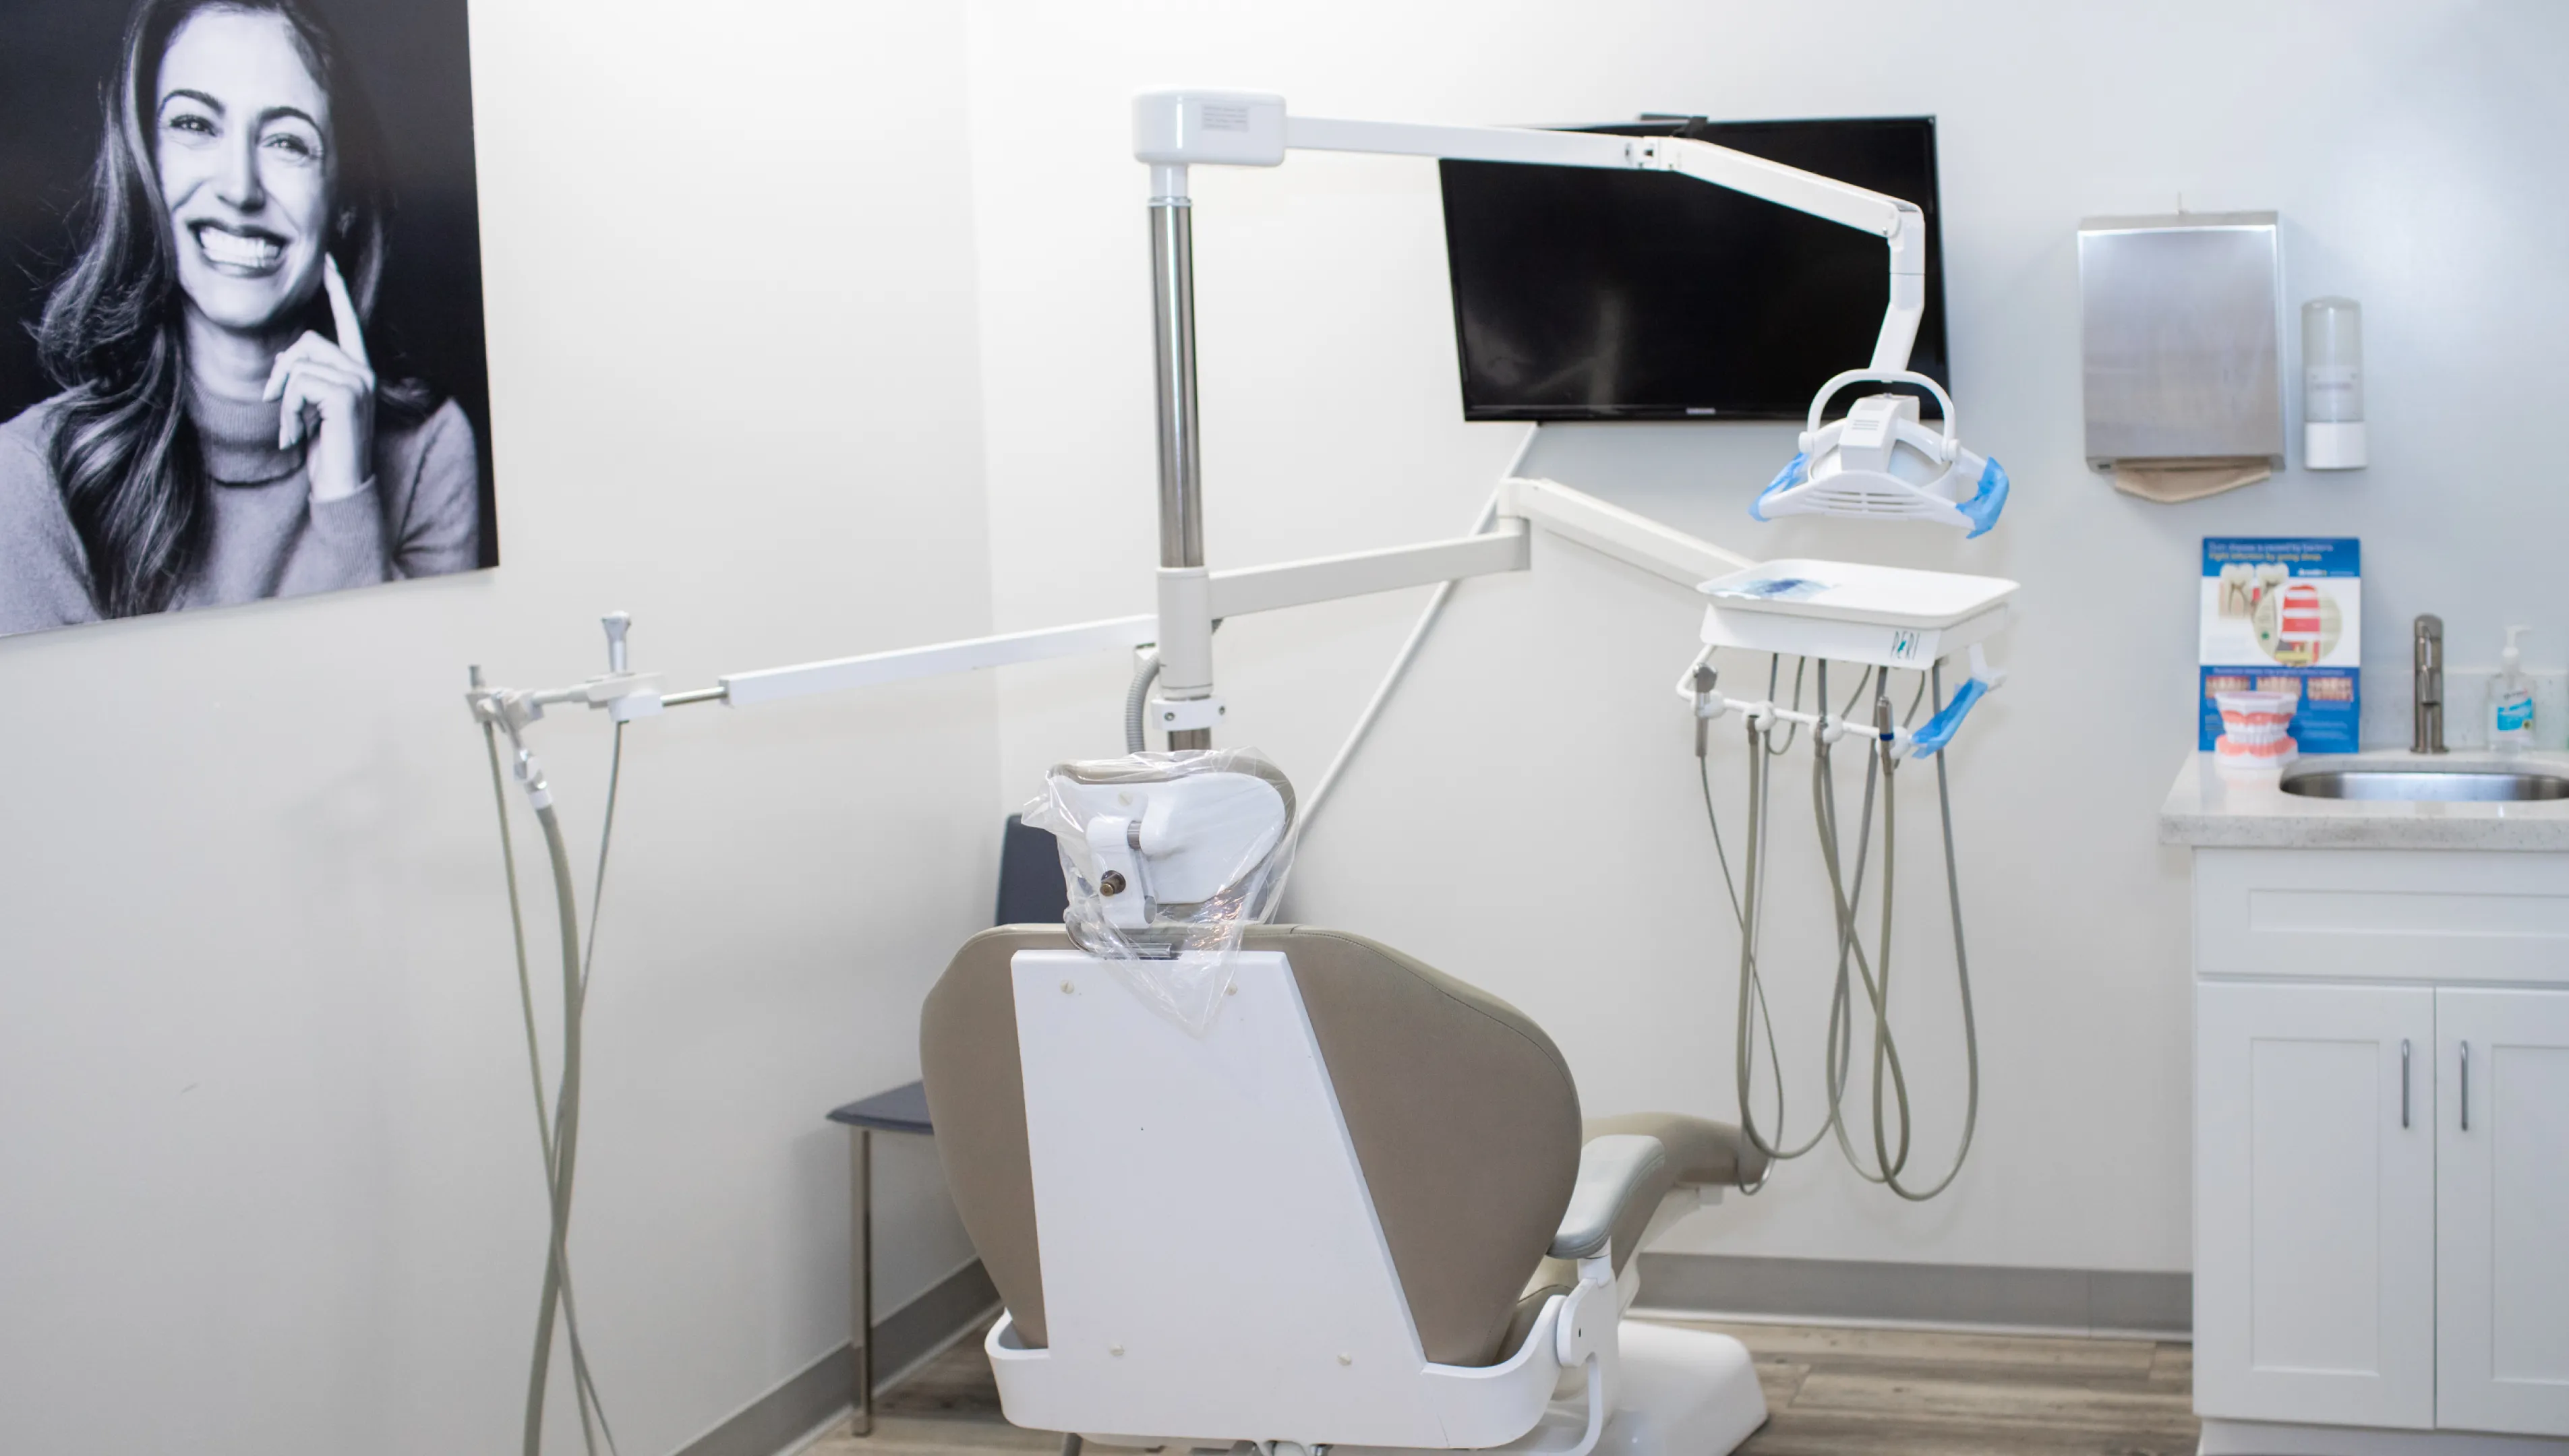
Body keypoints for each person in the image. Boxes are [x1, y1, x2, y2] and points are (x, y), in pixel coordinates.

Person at [0, 0, 479, 636]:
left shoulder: (430, 451)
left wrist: (346, 499)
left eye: (286, 141)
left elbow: (413, 710)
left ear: (341, 201)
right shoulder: (32, 475)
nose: (240, 187)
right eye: (196, 125)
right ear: (148, 168)